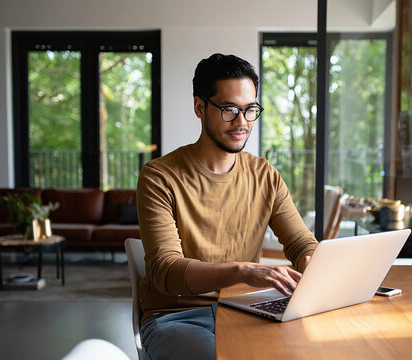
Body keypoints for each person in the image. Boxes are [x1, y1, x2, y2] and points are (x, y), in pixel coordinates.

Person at [136, 53, 318, 360]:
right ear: (199, 107)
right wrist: (244, 270)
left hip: (247, 308)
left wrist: (310, 260)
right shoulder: (160, 176)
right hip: (176, 317)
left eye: (250, 110)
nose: (242, 122)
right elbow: (165, 271)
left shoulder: (264, 174)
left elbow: (301, 243)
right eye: (230, 109)